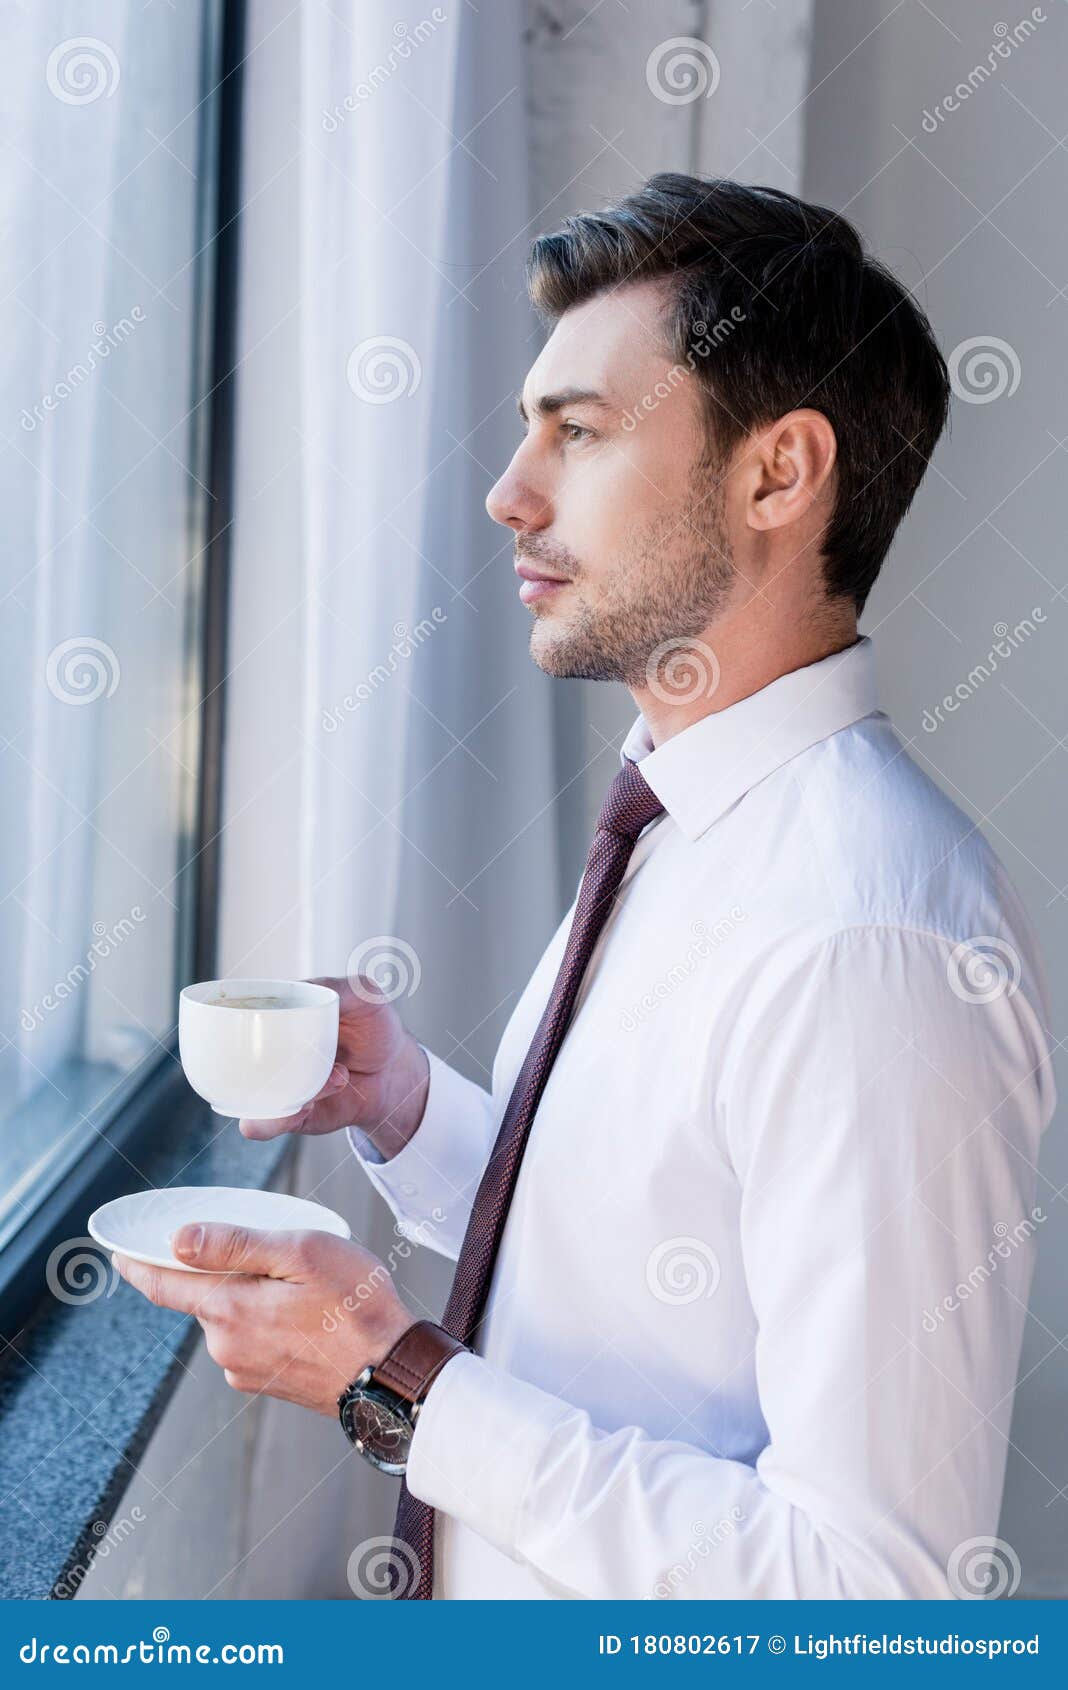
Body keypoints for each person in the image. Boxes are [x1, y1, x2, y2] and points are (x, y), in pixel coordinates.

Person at [115, 175, 1056, 1601]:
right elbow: (639, 1268)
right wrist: (408, 1108)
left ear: (778, 473)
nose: (512, 492)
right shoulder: (681, 814)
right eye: (525, 432)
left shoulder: (872, 939)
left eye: (581, 432)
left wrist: (397, 1378)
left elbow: (873, 1595)